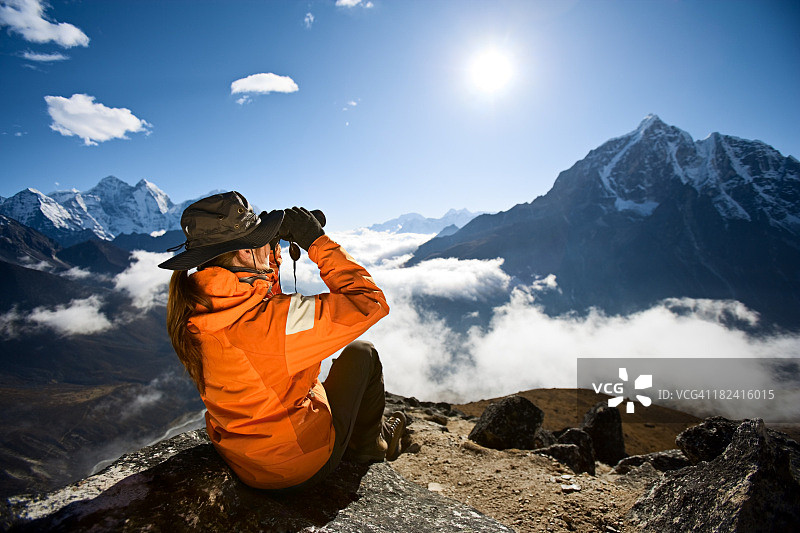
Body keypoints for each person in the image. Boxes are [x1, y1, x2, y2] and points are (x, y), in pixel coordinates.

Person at [158, 191, 405, 492]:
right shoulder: (272, 326)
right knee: (362, 353)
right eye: (258, 239)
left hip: (243, 456)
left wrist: (269, 249)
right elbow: (370, 301)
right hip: (295, 466)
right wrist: (317, 241)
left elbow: (258, 301)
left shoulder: (194, 310)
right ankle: (373, 446)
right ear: (245, 253)